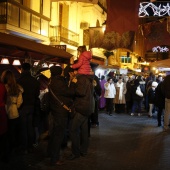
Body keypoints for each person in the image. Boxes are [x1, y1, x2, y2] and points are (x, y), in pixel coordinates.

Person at [47, 66, 75, 166]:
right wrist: (72, 83)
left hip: (55, 111)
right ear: (59, 72)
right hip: (60, 112)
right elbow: (70, 92)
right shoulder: (58, 82)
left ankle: (50, 154)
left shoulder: (52, 81)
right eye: (62, 71)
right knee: (58, 135)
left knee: (54, 133)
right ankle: (54, 159)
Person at [68, 69, 94, 160]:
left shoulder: (81, 79)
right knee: (84, 130)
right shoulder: (88, 79)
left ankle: (75, 153)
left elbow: (80, 92)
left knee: (73, 130)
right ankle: (83, 151)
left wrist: (73, 83)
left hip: (81, 108)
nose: (72, 73)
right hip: (86, 108)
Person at [17, 63, 40, 154]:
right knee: (30, 126)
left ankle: (24, 147)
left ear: (22, 69)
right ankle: (30, 145)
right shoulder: (34, 81)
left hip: (23, 106)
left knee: (23, 127)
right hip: (32, 106)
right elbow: (37, 94)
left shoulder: (19, 81)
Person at [1, 70, 24, 153]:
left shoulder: (3, 87)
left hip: (4, 111)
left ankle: (6, 150)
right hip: (14, 113)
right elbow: (20, 102)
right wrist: (16, 106)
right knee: (14, 132)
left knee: (5, 133)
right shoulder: (17, 88)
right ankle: (14, 148)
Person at [0, 80, 8, 162]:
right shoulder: (3, 86)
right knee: (3, 134)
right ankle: (4, 156)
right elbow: (5, 98)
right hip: (2, 110)